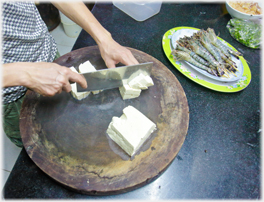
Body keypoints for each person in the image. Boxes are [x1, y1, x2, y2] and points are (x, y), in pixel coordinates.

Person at [2, 2, 139, 147]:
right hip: (12, 91)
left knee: (62, 121)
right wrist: (24, 74)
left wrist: (103, 37)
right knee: (32, 141)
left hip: (49, 55)